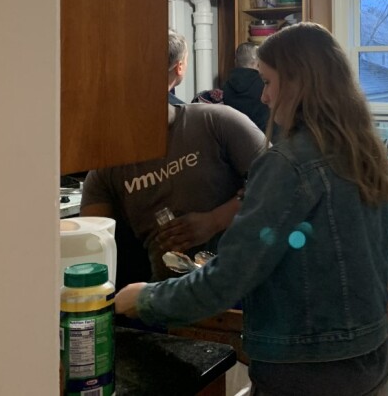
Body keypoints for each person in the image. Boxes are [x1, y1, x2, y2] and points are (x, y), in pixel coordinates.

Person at [115, 23, 388, 396]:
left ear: (299, 82)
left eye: (267, 82)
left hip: (309, 368)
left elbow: (233, 273)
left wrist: (146, 299)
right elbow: (385, 257)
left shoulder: (289, 163)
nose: (263, 97)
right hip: (372, 351)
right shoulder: (361, 149)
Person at [81, 30, 266, 284]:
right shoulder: (105, 167)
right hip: (165, 298)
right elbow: (91, 248)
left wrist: (214, 221)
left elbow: (276, 183)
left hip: (240, 288)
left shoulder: (218, 122)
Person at [221, 41, 271, 131]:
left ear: (236, 62)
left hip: (234, 139)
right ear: (257, 63)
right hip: (262, 139)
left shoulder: (226, 86)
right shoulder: (264, 85)